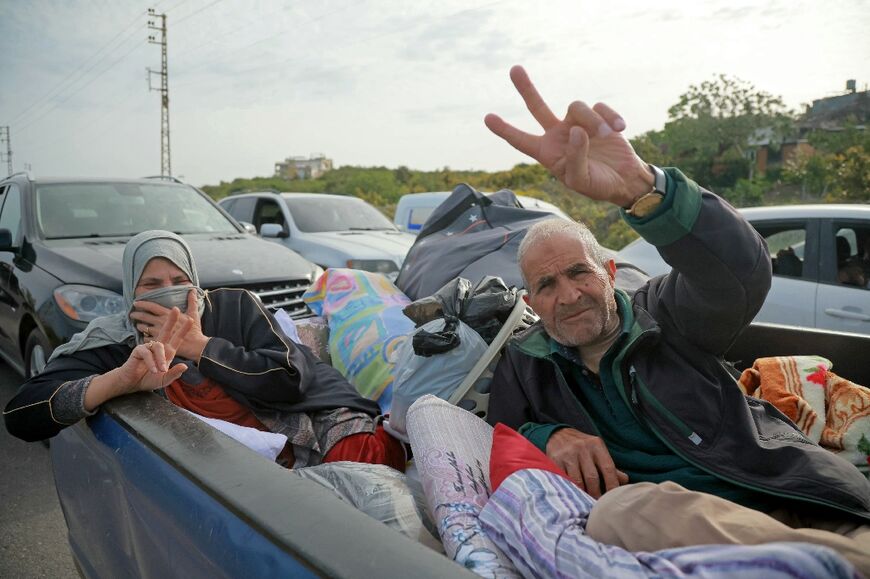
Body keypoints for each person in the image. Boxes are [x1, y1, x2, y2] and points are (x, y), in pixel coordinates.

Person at [484, 65, 870, 572]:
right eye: (547, 285)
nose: (570, 295)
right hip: (668, 520)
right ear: (531, 302)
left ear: (609, 272)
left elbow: (741, 271)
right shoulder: (524, 361)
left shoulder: (666, 313)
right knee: (618, 510)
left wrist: (641, 190)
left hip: (795, 497)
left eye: (579, 272)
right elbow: (499, 436)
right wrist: (548, 436)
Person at [3, 230, 405, 471]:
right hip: (242, 467)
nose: (170, 291)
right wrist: (117, 382)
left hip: (308, 420)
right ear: (130, 292)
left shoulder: (231, 307)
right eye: (152, 284)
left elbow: (290, 379)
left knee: (361, 461)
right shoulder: (116, 344)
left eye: (180, 278)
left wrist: (200, 347)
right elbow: (22, 415)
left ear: (195, 280)